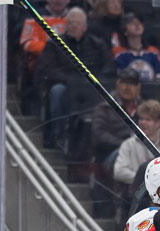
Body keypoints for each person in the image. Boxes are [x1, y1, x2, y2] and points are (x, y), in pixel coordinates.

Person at [35, 7, 112, 152]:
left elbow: (108, 67)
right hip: (65, 84)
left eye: (77, 23)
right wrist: (69, 80)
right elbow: (46, 69)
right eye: (70, 22)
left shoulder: (97, 44)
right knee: (57, 92)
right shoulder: (55, 44)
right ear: (65, 25)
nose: (74, 25)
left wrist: (95, 80)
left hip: (91, 86)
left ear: (85, 26)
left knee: (109, 94)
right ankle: (59, 135)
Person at [112, 12, 160, 81]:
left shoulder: (153, 52)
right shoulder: (119, 53)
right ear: (125, 31)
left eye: (139, 22)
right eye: (132, 23)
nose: (137, 25)